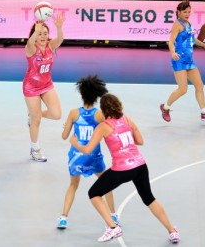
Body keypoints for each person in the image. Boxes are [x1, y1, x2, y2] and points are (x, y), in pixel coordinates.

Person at [70, 93, 180, 243]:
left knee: (94, 193)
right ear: (118, 105)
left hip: (121, 170)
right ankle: (172, 231)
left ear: (103, 110)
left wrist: (75, 143)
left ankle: (113, 228)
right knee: (149, 198)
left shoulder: (103, 127)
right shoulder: (127, 119)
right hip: (140, 166)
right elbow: (140, 141)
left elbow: (87, 149)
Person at [57, 75, 119, 230]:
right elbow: (111, 129)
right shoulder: (99, 114)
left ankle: (63, 218)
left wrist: (66, 126)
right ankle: (113, 215)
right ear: (97, 96)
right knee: (107, 184)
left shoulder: (73, 113)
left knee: (72, 186)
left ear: (81, 94)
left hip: (76, 157)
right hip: (94, 157)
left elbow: (64, 136)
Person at [160, 0, 205, 122]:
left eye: (189, 12)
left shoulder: (189, 23)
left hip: (189, 61)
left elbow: (193, 39)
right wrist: (173, 53)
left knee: (200, 86)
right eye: (184, 12)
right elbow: (171, 41)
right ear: (178, 12)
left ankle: (204, 112)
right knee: (183, 90)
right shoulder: (177, 24)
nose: (187, 14)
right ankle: (165, 107)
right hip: (179, 60)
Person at [23, 13, 65, 162]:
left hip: (47, 85)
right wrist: (36, 30)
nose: (42, 36)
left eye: (45, 33)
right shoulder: (31, 49)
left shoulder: (50, 46)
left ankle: (34, 114)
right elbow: (29, 42)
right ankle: (35, 150)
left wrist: (59, 28)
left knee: (56, 114)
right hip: (31, 88)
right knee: (36, 120)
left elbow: (60, 40)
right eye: (39, 34)